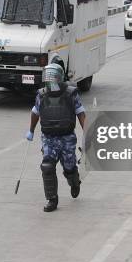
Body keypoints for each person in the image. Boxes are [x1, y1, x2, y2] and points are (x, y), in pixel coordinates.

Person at [26, 62, 86, 212]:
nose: (51, 81)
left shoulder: (71, 93)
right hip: (49, 138)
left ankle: (74, 182)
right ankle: (52, 199)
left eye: (54, 77)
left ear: (60, 77)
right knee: (47, 166)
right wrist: (31, 131)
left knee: (69, 167)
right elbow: (35, 112)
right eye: (48, 78)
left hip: (67, 138)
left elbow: (80, 113)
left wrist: (88, 132)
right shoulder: (42, 94)